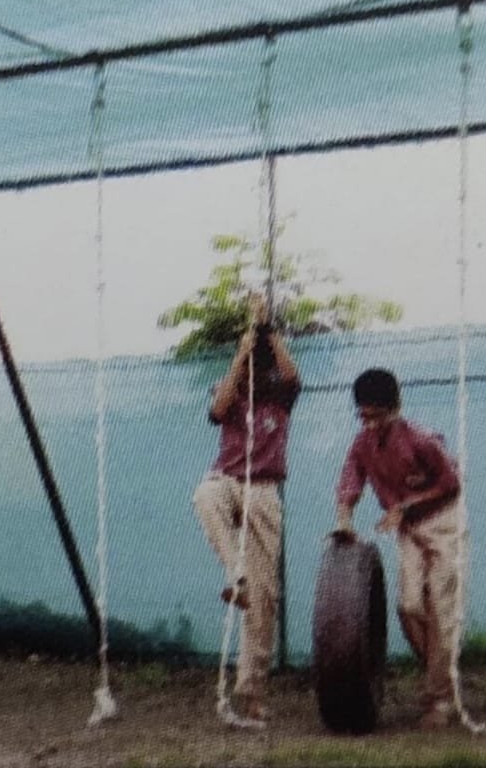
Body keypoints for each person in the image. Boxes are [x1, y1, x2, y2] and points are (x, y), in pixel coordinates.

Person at [332, 368, 464, 729]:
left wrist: (406, 505)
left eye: (377, 416)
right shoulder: (362, 443)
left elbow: (452, 483)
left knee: (441, 607)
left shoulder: (422, 439)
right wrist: (344, 520)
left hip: (443, 522)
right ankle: (442, 676)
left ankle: (439, 700)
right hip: (408, 528)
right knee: (409, 606)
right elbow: (350, 478)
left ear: (395, 409)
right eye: (364, 417)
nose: (370, 424)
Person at [192, 292, 301, 726]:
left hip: (264, 491)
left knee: (264, 598)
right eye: (249, 362)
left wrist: (266, 329)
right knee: (204, 495)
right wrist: (240, 351)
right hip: (228, 481)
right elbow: (217, 409)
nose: (255, 369)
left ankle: (252, 692)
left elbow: (291, 374)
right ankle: (235, 575)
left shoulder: (281, 396)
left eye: (258, 361)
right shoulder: (231, 392)